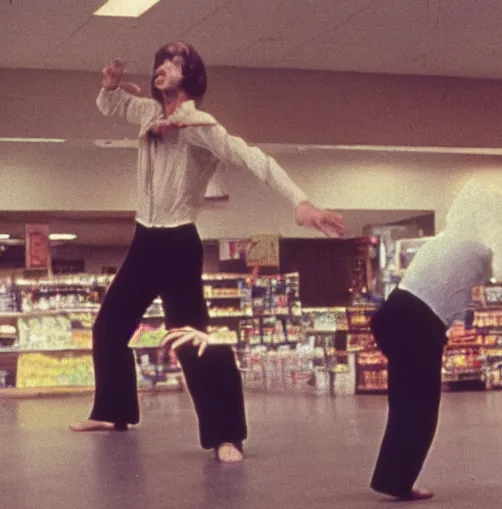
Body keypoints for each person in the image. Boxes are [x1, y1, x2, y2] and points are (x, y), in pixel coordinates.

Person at [69, 42, 345, 463]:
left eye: (173, 63)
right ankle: (112, 412)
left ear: (190, 75)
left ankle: (227, 436)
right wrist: (108, 86)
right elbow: (112, 105)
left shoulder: (201, 126)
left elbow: (257, 161)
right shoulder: (146, 112)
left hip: (179, 244)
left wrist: (301, 202)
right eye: (160, 61)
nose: (162, 67)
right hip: (145, 239)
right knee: (108, 327)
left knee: (192, 341)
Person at [369, 176, 502, 501]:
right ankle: (398, 482)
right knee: (421, 410)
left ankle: (390, 478)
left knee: (403, 405)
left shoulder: (438, 240)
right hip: (420, 324)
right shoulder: (480, 250)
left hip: (392, 314)